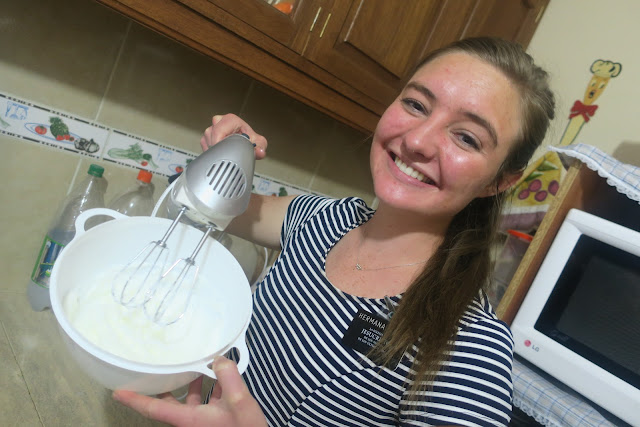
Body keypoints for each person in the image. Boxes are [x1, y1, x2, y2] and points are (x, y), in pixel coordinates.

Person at [113, 37, 555, 426]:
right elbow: (198, 205)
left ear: (500, 181)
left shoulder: (470, 347)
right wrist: (228, 155)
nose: (418, 141)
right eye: (416, 105)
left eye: (467, 138)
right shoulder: (322, 218)